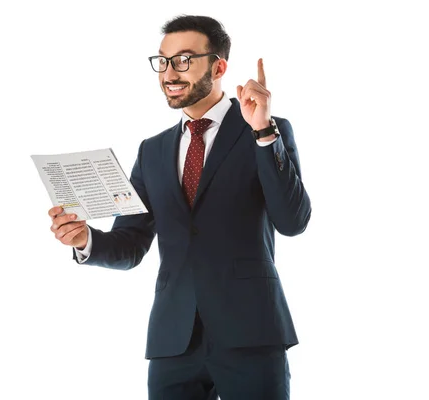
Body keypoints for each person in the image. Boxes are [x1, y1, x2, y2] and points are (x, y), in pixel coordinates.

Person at [47, 15, 311, 400]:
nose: (169, 72)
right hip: (174, 341)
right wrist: (85, 239)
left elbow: (293, 220)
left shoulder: (266, 130)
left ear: (219, 66)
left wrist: (263, 132)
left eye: (184, 60)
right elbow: (130, 243)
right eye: (163, 61)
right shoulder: (152, 151)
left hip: (251, 331)